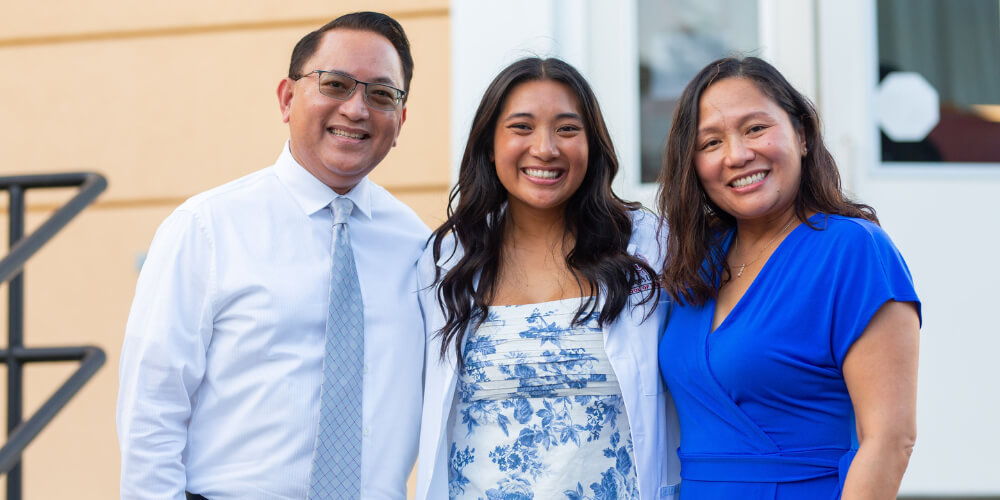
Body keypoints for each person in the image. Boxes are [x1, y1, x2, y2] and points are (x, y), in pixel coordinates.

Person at [116, 12, 428, 499]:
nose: (357, 109)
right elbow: (151, 407)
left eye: (381, 94)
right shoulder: (207, 229)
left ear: (401, 119)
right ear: (287, 98)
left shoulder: (420, 249)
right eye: (336, 84)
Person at [415, 57, 681, 500]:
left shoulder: (647, 247)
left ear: (592, 144)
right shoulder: (447, 261)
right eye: (521, 127)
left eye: (567, 129)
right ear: (489, 144)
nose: (545, 148)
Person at [657, 56, 921, 499]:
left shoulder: (853, 251)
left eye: (755, 128)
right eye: (710, 143)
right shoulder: (695, 261)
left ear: (801, 134)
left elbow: (890, 441)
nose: (737, 155)